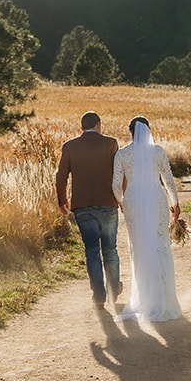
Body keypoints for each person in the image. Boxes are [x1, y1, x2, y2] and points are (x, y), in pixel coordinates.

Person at [111, 115, 181, 322]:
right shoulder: (158, 151)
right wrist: (175, 203)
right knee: (160, 245)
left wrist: (121, 201)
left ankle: (146, 299)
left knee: (140, 247)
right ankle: (166, 300)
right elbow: (168, 180)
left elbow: (115, 186)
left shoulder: (122, 154)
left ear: (130, 132)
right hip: (157, 200)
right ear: (148, 131)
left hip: (132, 201)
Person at [55, 111, 121, 309]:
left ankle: (99, 297)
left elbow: (60, 175)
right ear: (99, 125)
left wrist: (62, 201)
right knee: (110, 249)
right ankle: (114, 290)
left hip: (82, 207)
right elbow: (118, 173)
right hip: (108, 204)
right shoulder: (111, 143)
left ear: (81, 128)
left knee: (92, 250)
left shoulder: (70, 146)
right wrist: (121, 198)